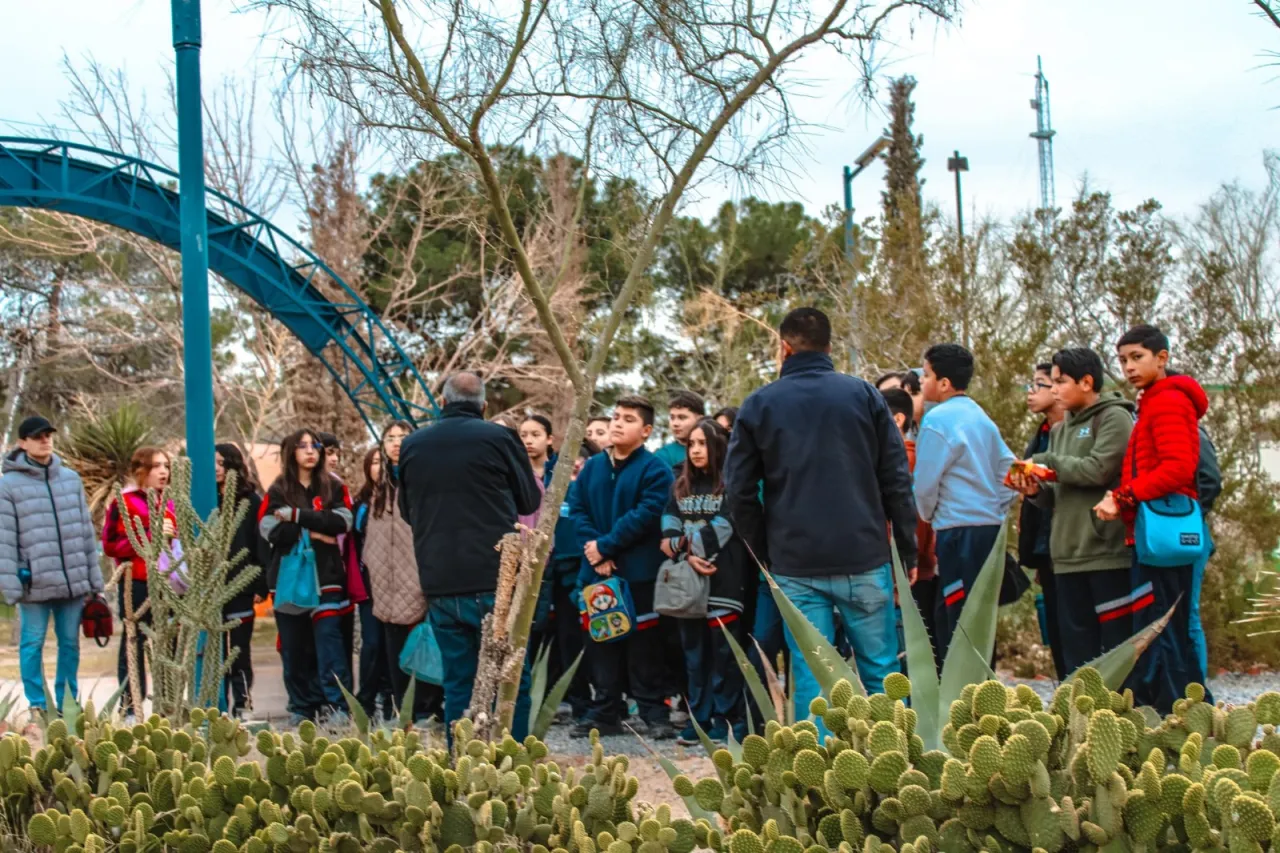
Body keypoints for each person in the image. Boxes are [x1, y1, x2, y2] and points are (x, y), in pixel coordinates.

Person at [724, 307, 917, 724]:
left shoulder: (759, 405)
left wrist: (765, 552)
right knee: (883, 672)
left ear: (784, 347)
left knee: (813, 680)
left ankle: (819, 778)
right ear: (830, 346)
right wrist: (907, 551)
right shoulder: (865, 395)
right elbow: (896, 479)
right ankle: (901, 768)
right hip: (865, 555)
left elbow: (738, 493)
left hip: (795, 564)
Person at [398, 372, 542, 737]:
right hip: (496, 575)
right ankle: (515, 759)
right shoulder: (500, 437)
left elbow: (406, 511)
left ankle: (461, 761)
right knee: (511, 682)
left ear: (442, 402)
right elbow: (530, 500)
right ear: (484, 407)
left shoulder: (413, 444)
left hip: (440, 579)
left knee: (457, 682)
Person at [1094, 324, 1211, 712]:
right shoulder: (1153, 401)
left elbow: (1178, 467)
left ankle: (1185, 707)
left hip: (1166, 530)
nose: (1128, 367)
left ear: (1162, 358)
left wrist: (1123, 496)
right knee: (1164, 623)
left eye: (1137, 357)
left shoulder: (1168, 402)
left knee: (1170, 624)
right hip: (1152, 529)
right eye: (1123, 359)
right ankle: (1175, 706)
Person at [1008, 348, 1139, 675]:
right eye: (1051, 383)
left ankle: (1126, 717)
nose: (1054, 390)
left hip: (1105, 553)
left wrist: (1047, 463)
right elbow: (1060, 490)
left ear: (1086, 382)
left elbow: (1098, 471)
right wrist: (1036, 489)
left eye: (1060, 382)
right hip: (1065, 558)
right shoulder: (1060, 429)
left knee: (1116, 649)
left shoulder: (1114, 417)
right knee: (1077, 650)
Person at [571, 395, 676, 738]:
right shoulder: (593, 468)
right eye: (616, 416)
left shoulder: (655, 469)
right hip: (595, 574)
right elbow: (578, 509)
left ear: (646, 431)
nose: (617, 423)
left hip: (638, 574)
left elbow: (645, 515)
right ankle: (605, 714)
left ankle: (653, 714)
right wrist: (595, 552)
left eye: (628, 419)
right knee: (600, 644)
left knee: (644, 648)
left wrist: (606, 546)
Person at [912, 343, 1015, 663]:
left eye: (926, 375)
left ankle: (959, 693)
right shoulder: (981, 417)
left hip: (957, 530)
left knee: (955, 616)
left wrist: (928, 514)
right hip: (988, 529)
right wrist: (994, 507)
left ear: (944, 383)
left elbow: (925, 483)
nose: (922, 383)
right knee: (981, 615)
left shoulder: (937, 420)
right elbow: (1009, 473)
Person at [0, 416, 103, 717]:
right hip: (34, 583)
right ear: (22, 443)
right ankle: (37, 704)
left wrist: (94, 582)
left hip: (72, 582)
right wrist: (11, 584)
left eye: (48, 434)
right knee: (32, 643)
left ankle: (68, 704)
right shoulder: (8, 485)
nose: (45, 440)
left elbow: (85, 532)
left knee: (70, 644)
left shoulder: (70, 479)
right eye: (37, 436)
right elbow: (4, 539)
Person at [661, 418, 747, 744]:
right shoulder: (679, 487)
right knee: (694, 657)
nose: (696, 450)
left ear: (718, 447)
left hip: (724, 583)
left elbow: (726, 526)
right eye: (692, 444)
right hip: (688, 585)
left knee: (725, 656)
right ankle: (699, 720)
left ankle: (729, 719)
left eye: (703, 444)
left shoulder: (731, 484)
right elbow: (666, 533)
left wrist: (687, 546)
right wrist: (686, 553)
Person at [259, 429, 354, 722]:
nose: (310, 451)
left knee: (330, 647)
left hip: (327, 579)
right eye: (302, 446)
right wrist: (314, 529)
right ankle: (301, 707)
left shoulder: (333, 487)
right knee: (294, 648)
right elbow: (269, 530)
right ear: (291, 452)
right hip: (288, 579)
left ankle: (338, 706)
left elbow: (343, 522)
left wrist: (298, 517)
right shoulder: (277, 490)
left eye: (314, 446)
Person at [362, 420, 442, 722]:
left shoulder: (424, 480)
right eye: (390, 438)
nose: (396, 443)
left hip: (420, 580)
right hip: (385, 586)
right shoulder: (379, 490)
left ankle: (427, 710)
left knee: (424, 647)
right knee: (394, 653)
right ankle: (402, 711)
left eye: (402, 437)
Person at [103, 447, 176, 712]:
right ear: (140, 471)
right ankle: (131, 705)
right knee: (133, 643)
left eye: (166, 465)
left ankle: (169, 703)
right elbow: (111, 544)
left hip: (168, 582)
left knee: (170, 642)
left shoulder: (170, 502)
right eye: (156, 466)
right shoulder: (125, 502)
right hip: (137, 581)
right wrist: (150, 532)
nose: (163, 471)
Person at [880, 388, 938, 662]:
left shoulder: (906, 460)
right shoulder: (915, 458)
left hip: (905, 570)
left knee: (905, 649)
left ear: (898, 419)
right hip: (916, 566)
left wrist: (904, 565)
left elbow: (912, 517)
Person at [214, 443, 268, 718]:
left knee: (238, 650)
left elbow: (260, 544)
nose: (216, 468)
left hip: (241, 585)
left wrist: (259, 583)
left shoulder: (251, 501)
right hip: (211, 587)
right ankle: (218, 704)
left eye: (221, 462)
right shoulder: (204, 498)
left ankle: (243, 703)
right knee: (214, 651)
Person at [1019, 363, 1066, 678]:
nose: (1031, 392)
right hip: (1045, 548)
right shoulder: (1042, 434)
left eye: (1040, 384)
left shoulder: (1070, 435)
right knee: (1058, 630)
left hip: (1069, 544)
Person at [547, 442, 596, 723]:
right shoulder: (553, 487)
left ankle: (606, 699)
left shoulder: (593, 487)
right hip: (560, 572)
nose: (576, 462)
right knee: (568, 640)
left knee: (596, 638)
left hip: (592, 567)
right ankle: (578, 701)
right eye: (570, 457)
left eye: (582, 457)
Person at [351, 448, 394, 719]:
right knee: (372, 643)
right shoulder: (361, 503)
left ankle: (391, 699)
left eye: (383, 461)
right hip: (369, 585)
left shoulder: (401, 497)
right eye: (374, 462)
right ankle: (366, 700)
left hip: (397, 585)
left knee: (392, 645)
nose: (379, 467)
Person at [654, 391, 706, 470]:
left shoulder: (716, 449)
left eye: (682, 417)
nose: (675, 424)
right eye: (672, 418)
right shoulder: (663, 455)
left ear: (700, 419)